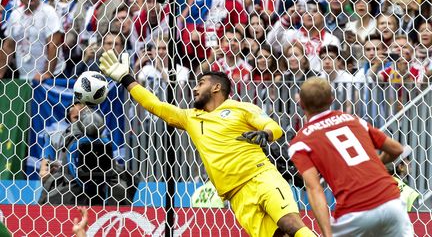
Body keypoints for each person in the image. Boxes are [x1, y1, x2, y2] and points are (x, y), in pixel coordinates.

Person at [99, 50, 315, 237]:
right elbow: (154, 104)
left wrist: (265, 134)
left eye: (201, 83)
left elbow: (272, 125)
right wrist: (127, 79)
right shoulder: (190, 117)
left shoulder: (240, 108)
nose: (195, 88)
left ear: (216, 87)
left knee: (290, 223)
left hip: (261, 177)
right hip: (236, 196)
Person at [289, 77, 414, 237]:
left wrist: (327, 234)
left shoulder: (300, 142)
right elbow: (396, 149)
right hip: (391, 201)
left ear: (301, 105)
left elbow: (314, 189)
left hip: (353, 212)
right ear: (331, 99)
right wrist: (378, 164)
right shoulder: (353, 120)